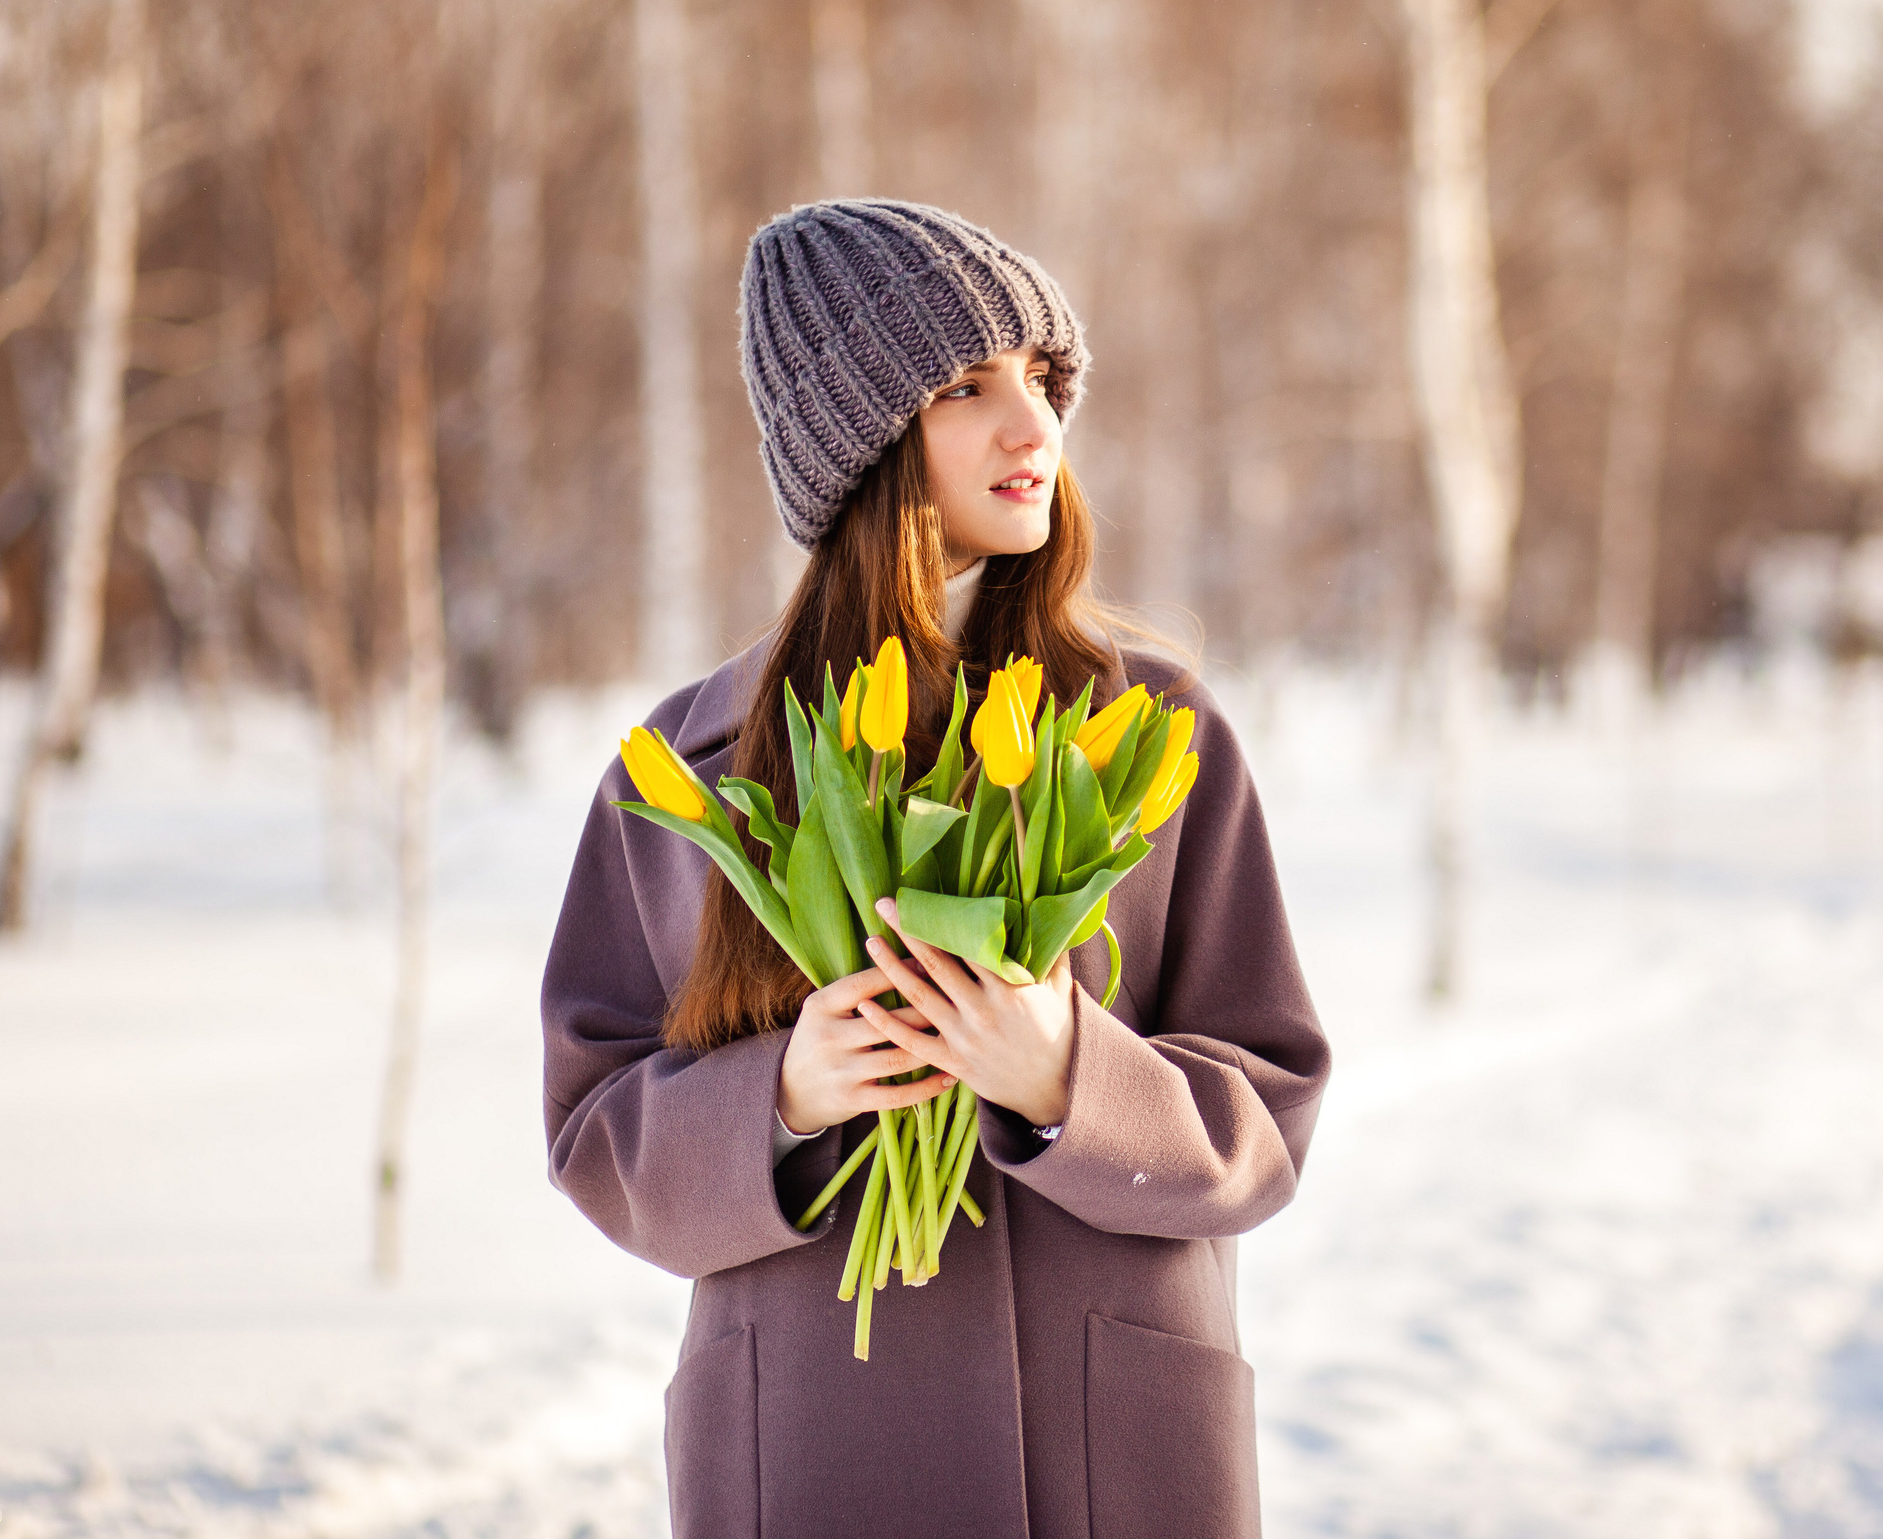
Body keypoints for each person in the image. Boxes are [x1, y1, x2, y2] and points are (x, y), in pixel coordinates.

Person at [540, 199, 1330, 1539]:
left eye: (1041, 379)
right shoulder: (694, 767)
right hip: (815, 1446)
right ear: (860, 448)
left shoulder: (1157, 734)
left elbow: (1269, 1117)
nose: (1034, 426)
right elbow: (594, 1125)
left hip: (1112, 1451)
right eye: (969, 387)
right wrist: (782, 1098)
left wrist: (1069, 1077)